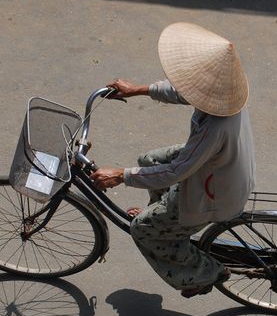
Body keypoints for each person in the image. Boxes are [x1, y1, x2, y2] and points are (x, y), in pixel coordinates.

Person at [91, 22, 255, 298]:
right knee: (149, 160)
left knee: (142, 229)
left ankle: (205, 274)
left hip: (214, 193)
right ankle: (162, 216)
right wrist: (140, 89)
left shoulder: (215, 126)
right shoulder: (227, 94)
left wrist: (120, 175)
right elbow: (185, 91)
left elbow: (177, 172)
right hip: (222, 168)